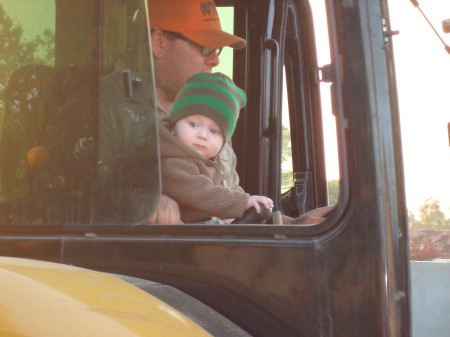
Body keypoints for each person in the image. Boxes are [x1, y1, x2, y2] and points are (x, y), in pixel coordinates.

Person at [147, 0, 332, 224]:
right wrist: (143, 202)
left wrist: (295, 224)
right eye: (205, 47)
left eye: (217, 50)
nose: (215, 59)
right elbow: (98, 192)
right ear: (159, 42)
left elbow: (229, 205)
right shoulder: (111, 111)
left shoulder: (210, 120)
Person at [159, 72, 273, 223]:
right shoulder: (173, 162)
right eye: (193, 124)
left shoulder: (213, 162)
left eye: (214, 131)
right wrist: (242, 202)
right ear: (173, 126)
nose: (203, 135)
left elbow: (226, 191)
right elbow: (201, 192)